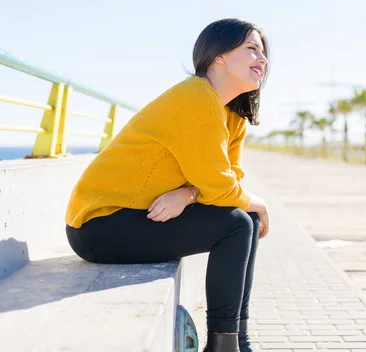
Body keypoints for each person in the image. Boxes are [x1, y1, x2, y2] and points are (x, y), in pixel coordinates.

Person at [65, 18, 270, 352]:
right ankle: (226, 345)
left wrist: (188, 194)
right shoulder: (196, 99)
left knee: (243, 220)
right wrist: (260, 203)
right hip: (98, 223)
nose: (261, 59)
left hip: (137, 215)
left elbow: (226, 183)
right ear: (218, 55)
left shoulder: (231, 116)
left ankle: (236, 340)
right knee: (238, 222)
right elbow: (222, 191)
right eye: (251, 49)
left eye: (263, 53)